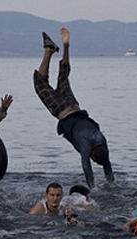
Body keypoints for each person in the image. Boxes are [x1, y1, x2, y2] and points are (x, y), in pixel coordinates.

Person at [34, 27, 114, 189]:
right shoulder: (87, 147)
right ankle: (49, 50)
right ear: (92, 154)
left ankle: (65, 46)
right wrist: (92, 188)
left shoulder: (102, 141)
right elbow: (86, 167)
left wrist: (111, 182)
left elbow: (107, 165)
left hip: (75, 107)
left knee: (64, 75)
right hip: (63, 111)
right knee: (39, 82)